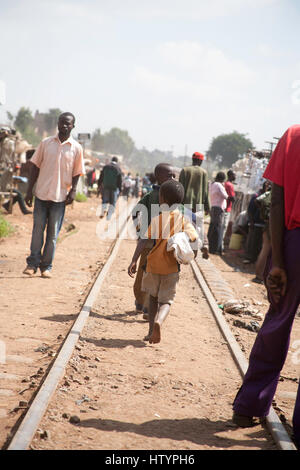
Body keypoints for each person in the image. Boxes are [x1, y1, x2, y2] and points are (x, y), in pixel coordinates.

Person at [232, 124, 300, 449]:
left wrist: (278, 260)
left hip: (292, 243)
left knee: (277, 324)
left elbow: (275, 201)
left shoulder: (293, 136)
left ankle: (248, 406)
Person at [128, 179, 198, 344]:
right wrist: (189, 253)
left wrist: (134, 260)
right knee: (166, 301)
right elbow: (194, 239)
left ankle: (151, 330)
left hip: (152, 266)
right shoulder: (184, 220)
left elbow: (143, 240)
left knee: (152, 298)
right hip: (171, 268)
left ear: (162, 199)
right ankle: (160, 321)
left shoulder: (158, 219)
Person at [23, 112, 85, 278]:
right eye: (62, 122)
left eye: (68, 123)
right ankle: (32, 264)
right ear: (57, 124)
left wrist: (73, 191)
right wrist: (29, 190)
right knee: (37, 231)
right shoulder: (46, 143)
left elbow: (77, 172)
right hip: (41, 195)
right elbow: (34, 167)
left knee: (52, 235)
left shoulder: (76, 148)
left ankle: (46, 267)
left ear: (73, 126)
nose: (64, 126)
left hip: (60, 197)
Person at [131, 163, 175, 318]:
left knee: (144, 271)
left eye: (173, 175)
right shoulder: (169, 197)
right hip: (159, 242)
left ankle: (141, 303)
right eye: (169, 175)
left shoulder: (150, 195)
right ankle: (147, 307)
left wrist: (139, 229)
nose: (173, 177)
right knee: (153, 273)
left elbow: (135, 212)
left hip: (147, 240)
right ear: (159, 177)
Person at [207, 171, 228, 255]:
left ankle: (209, 246)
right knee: (217, 228)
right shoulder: (219, 185)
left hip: (213, 207)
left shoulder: (212, 184)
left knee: (212, 226)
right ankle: (215, 248)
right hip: (218, 208)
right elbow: (225, 196)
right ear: (222, 179)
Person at [223, 170, 236, 248]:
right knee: (224, 227)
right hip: (227, 208)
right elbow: (232, 198)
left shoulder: (225, 183)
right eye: (234, 175)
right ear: (230, 175)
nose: (235, 177)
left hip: (224, 207)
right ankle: (221, 246)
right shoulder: (230, 185)